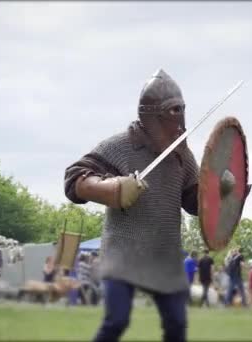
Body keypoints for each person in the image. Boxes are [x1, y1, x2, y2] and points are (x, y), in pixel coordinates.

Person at [63, 69, 203, 342]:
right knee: (117, 320)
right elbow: (73, 178)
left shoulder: (181, 154)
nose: (177, 117)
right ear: (152, 114)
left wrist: (219, 192)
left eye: (180, 109)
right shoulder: (121, 146)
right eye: (171, 110)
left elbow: (194, 202)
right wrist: (111, 188)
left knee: (176, 325)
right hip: (123, 252)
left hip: (163, 254)